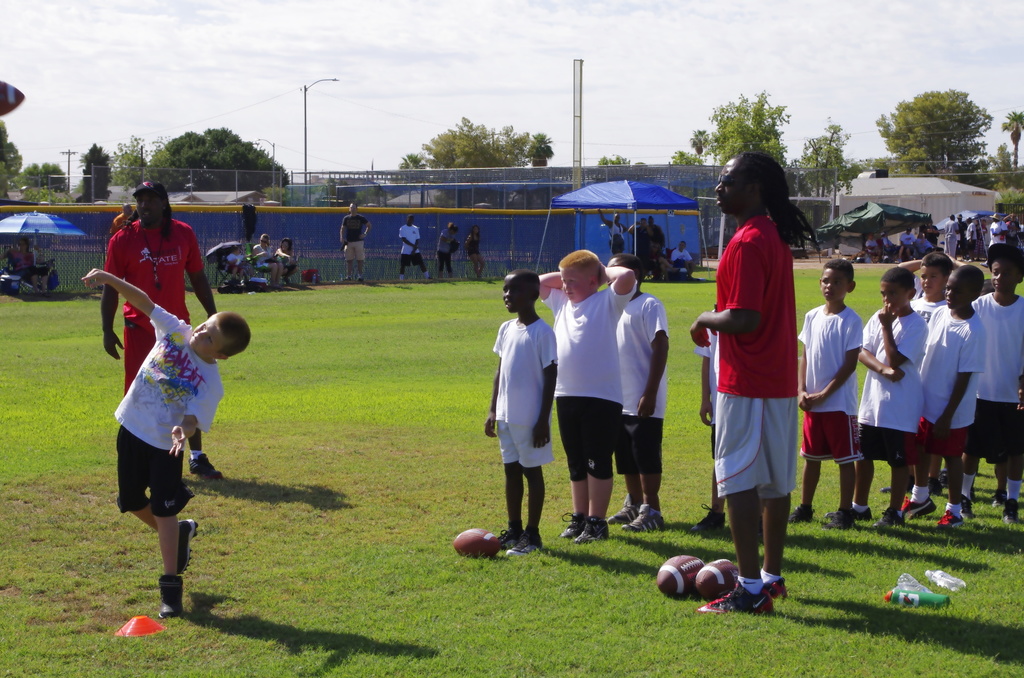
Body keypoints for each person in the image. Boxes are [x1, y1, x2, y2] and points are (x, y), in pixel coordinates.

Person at [82, 267, 250, 619]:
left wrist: (183, 432)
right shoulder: (176, 330)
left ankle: (170, 588)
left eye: (209, 338)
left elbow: (192, 418)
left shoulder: (211, 383)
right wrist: (110, 279)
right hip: (131, 427)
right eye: (204, 326)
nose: (200, 333)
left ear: (221, 355)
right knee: (130, 500)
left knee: (164, 510)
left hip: (164, 447)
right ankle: (181, 533)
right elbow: (143, 301)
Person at [688, 151, 815, 614]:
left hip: (749, 381)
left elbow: (744, 318)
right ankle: (771, 578)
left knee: (738, 482)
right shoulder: (771, 236)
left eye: (728, 180)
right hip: (773, 379)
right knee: (775, 485)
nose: (719, 188)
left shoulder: (747, 241)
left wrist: (704, 318)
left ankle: (749, 589)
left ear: (754, 188)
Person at [102, 181, 223, 480]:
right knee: (139, 392)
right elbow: (111, 288)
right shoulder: (122, 239)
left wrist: (213, 315)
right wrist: (106, 328)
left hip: (177, 331)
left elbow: (197, 277)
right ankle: (138, 460)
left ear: (164, 203)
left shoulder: (183, 233)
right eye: (140, 199)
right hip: (139, 328)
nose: (145, 204)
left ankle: (196, 457)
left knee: (186, 390)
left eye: (151, 199)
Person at [540, 250, 635, 544]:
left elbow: (626, 275)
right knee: (576, 461)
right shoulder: (561, 302)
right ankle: (579, 517)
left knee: (597, 460)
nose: (565, 286)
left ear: (595, 281)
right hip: (566, 393)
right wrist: (569, 274)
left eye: (573, 282)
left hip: (601, 397)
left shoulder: (607, 301)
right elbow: (538, 282)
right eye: (564, 281)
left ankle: (597, 521)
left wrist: (598, 272)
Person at [903, 265, 986, 528]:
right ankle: (920, 497)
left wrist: (947, 416)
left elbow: (964, 377)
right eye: (948, 288)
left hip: (952, 410)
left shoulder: (974, 330)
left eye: (957, 290)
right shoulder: (940, 313)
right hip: (926, 400)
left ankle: (955, 511)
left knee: (951, 457)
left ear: (974, 294)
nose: (949, 294)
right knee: (920, 447)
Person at [485, 270, 558, 556]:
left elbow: (551, 377)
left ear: (533, 295)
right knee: (511, 471)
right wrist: (493, 409)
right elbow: (500, 371)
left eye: (514, 290)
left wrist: (543, 420)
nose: (507, 295)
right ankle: (514, 529)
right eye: (505, 289)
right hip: (506, 416)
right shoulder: (506, 328)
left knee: (532, 472)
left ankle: (533, 534)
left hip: (530, 419)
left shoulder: (543, 332)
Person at [788, 259, 863, 530]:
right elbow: (805, 357)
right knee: (811, 457)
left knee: (845, 460)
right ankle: (805, 507)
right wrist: (801, 390)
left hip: (839, 404)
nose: (830, 286)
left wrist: (824, 394)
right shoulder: (812, 316)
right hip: (812, 403)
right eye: (826, 281)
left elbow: (849, 365)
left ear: (850, 286)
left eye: (837, 282)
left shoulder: (851, 320)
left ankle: (845, 512)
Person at [852, 267, 928, 528]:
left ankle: (895, 512)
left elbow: (896, 359)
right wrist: (882, 370)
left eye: (893, 294)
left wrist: (886, 327)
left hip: (900, 406)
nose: (887, 300)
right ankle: (859, 507)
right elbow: (862, 351)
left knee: (898, 461)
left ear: (910, 293)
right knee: (864, 456)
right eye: (883, 294)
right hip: (872, 403)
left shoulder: (917, 325)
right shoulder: (879, 317)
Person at [606, 253, 669, 532]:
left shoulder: (649, 304)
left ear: (634, 275)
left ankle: (652, 510)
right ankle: (633, 503)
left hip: (643, 396)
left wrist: (650, 392)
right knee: (626, 455)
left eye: (614, 272)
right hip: (617, 397)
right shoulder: (611, 307)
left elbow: (661, 345)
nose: (608, 278)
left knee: (645, 455)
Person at [961, 244, 1024, 524]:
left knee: (1015, 451)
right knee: (971, 449)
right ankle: (964, 497)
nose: (999, 278)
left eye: (1006, 273)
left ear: (1019, 277)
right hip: (979, 392)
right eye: (995, 272)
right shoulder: (978, 307)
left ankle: (1011, 502)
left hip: (1013, 395)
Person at [691, 315, 726, 532]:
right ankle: (717, 512)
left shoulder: (744, 318)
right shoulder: (712, 320)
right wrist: (706, 399)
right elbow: (707, 360)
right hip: (719, 405)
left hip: (744, 402)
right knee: (719, 459)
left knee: (751, 459)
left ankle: (759, 517)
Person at [341, 203, 371, 281]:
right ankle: (348, 276)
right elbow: (342, 228)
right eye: (351, 208)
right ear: (349, 209)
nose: (352, 209)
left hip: (358, 242)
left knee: (360, 260)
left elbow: (369, 225)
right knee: (349, 260)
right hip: (349, 242)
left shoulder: (360, 218)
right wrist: (341, 237)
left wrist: (365, 234)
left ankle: (360, 276)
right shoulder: (346, 218)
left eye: (354, 208)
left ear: (357, 209)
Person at [398, 215, 429, 280]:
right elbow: (404, 239)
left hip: (415, 250)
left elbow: (417, 239)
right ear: (407, 219)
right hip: (406, 250)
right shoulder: (403, 228)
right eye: (409, 219)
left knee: (421, 263)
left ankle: (427, 277)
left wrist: (414, 249)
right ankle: (401, 279)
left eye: (411, 219)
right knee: (403, 265)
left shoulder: (415, 228)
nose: (410, 220)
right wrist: (413, 245)